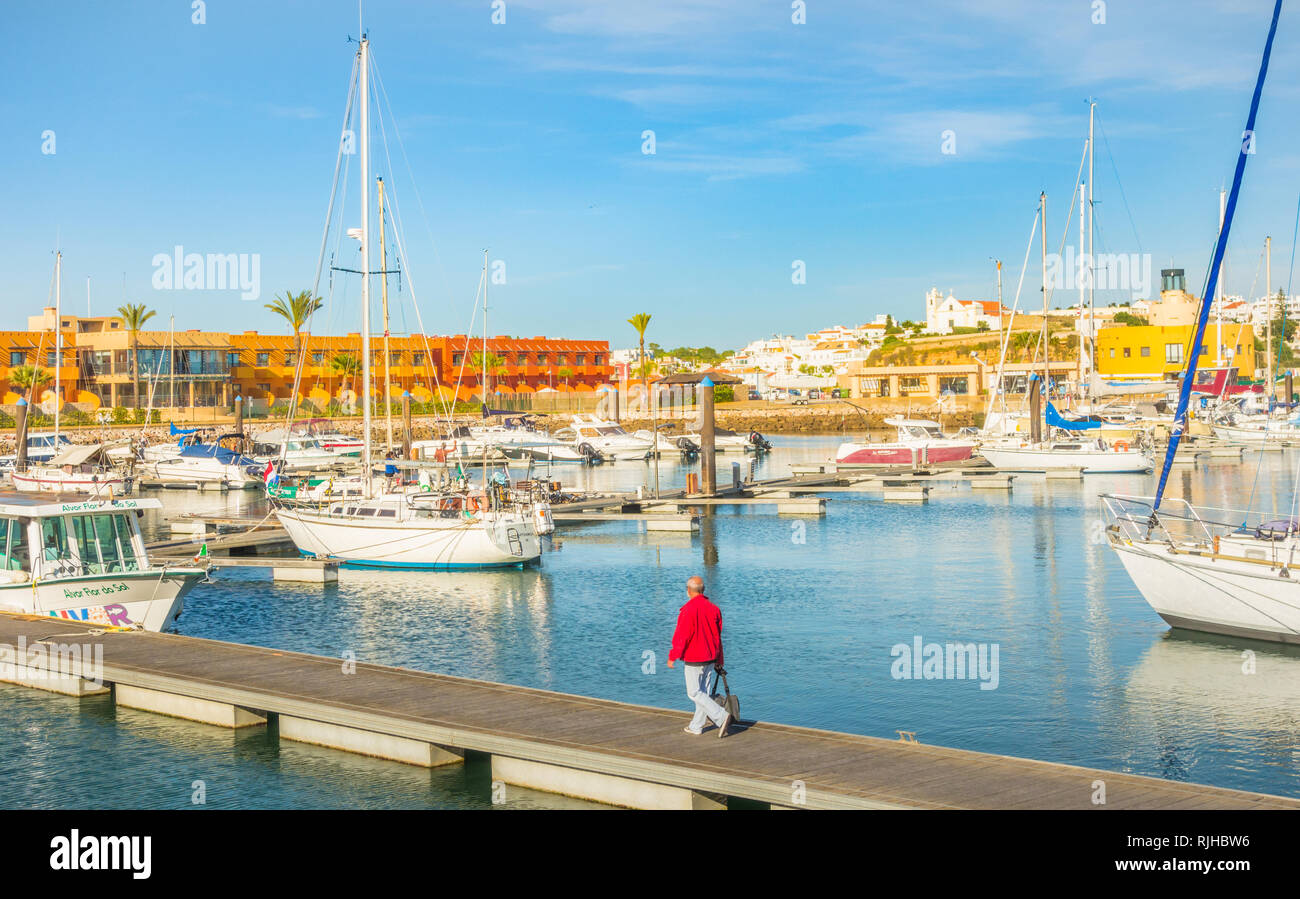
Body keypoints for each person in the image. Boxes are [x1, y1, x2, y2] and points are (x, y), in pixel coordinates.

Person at [667, 575, 732, 738]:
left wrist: (673, 655)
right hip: (711, 656)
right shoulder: (714, 609)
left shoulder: (687, 610)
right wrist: (720, 659)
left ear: (688, 591)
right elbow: (718, 636)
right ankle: (696, 726)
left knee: (694, 693)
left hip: (695, 658)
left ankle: (721, 716)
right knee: (703, 692)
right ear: (703, 590)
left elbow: (682, 636)